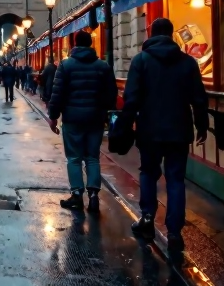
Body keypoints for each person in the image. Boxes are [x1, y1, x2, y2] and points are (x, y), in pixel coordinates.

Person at [123, 18, 208, 248]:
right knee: (176, 179)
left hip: (149, 129)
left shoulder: (141, 61)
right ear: (172, 35)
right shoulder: (188, 62)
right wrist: (202, 125)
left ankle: (148, 218)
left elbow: (132, 98)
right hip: (179, 129)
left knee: (149, 173)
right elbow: (198, 97)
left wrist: (124, 124)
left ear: (151, 33)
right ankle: (174, 233)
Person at [46, 31, 116, 212]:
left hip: (72, 118)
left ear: (74, 44)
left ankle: (77, 194)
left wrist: (53, 116)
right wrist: (104, 111)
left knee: (74, 158)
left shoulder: (66, 65)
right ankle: (93, 195)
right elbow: (111, 94)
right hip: (95, 118)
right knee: (92, 157)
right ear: (91, 44)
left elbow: (57, 93)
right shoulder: (103, 66)